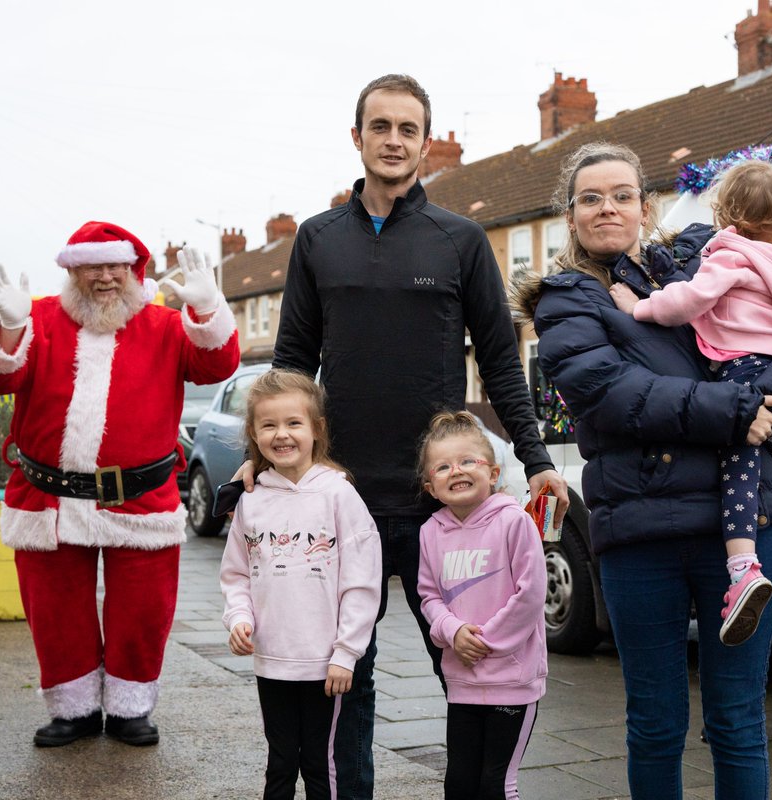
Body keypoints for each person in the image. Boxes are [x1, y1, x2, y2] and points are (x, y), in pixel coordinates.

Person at [237, 73, 568, 799]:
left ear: (426, 144)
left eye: (407, 129)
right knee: (343, 679)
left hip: (439, 506)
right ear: (357, 138)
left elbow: (503, 363)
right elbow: (292, 361)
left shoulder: (460, 240)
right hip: (340, 496)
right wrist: (256, 458)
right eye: (379, 127)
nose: (393, 141)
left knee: (473, 668)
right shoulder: (319, 240)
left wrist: (537, 460)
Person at [511, 142, 772, 799]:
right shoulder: (567, 301)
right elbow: (609, 393)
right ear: (571, 216)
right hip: (641, 536)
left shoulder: (709, 262)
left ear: (643, 206)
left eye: (622, 195)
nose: (608, 208)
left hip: (743, 531)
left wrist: (758, 396)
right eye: (592, 198)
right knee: (655, 723)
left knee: (738, 721)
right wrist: (737, 406)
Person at [0, 221, 239, 746]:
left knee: (142, 610)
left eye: (116, 265)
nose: (106, 276)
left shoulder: (164, 325)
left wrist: (207, 312)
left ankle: (129, 706)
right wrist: (8, 326)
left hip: (140, 498)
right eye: (93, 265)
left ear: (134, 270)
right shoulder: (40, 319)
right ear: (72, 270)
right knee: (55, 609)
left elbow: (217, 365)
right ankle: (73, 708)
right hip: (47, 497)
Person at [609, 161, 772, 646]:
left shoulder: (731, 256)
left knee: (739, 477)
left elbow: (684, 303)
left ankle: (743, 571)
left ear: (725, 211)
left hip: (741, 379)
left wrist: (637, 307)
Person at [220, 369, 381, 799]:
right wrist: (238, 617)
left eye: (293, 423)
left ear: (316, 429)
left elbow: (362, 583)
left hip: (325, 666)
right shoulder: (251, 500)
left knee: (320, 764)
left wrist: (346, 653)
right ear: (254, 434)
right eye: (268, 425)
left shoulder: (339, 495)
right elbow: (235, 572)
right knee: (279, 763)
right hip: (271, 660)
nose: (282, 434)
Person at [415, 411, 547, 800]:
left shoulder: (514, 523)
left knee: (495, 784)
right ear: (430, 487)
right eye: (443, 466)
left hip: (512, 680)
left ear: (492, 472)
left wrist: (488, 640)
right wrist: (452, 632)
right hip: (463, 680)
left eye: (468, 461)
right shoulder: (429, 533)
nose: (456, 470)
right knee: (458, 781)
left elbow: (531, 592)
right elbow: (429, 597)